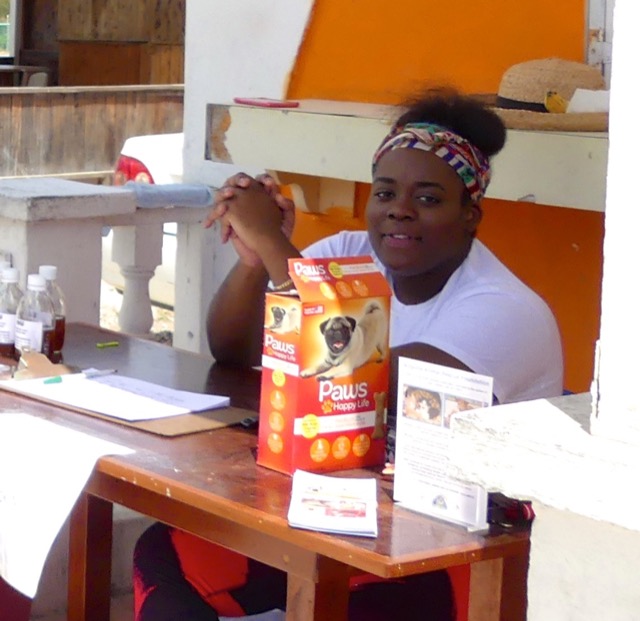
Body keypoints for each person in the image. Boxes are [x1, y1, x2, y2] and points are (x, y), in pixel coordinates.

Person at [133, 87, 563, 621]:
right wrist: (253, 258)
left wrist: (274, 246)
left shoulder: (505, 310)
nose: (399, 212)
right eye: (385, 193)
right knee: (168, 551)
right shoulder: (347, 253)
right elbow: (234, 348)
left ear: (471, 214)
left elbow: (361, 387)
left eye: (428, 199)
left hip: (449, 560)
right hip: (345, 520)